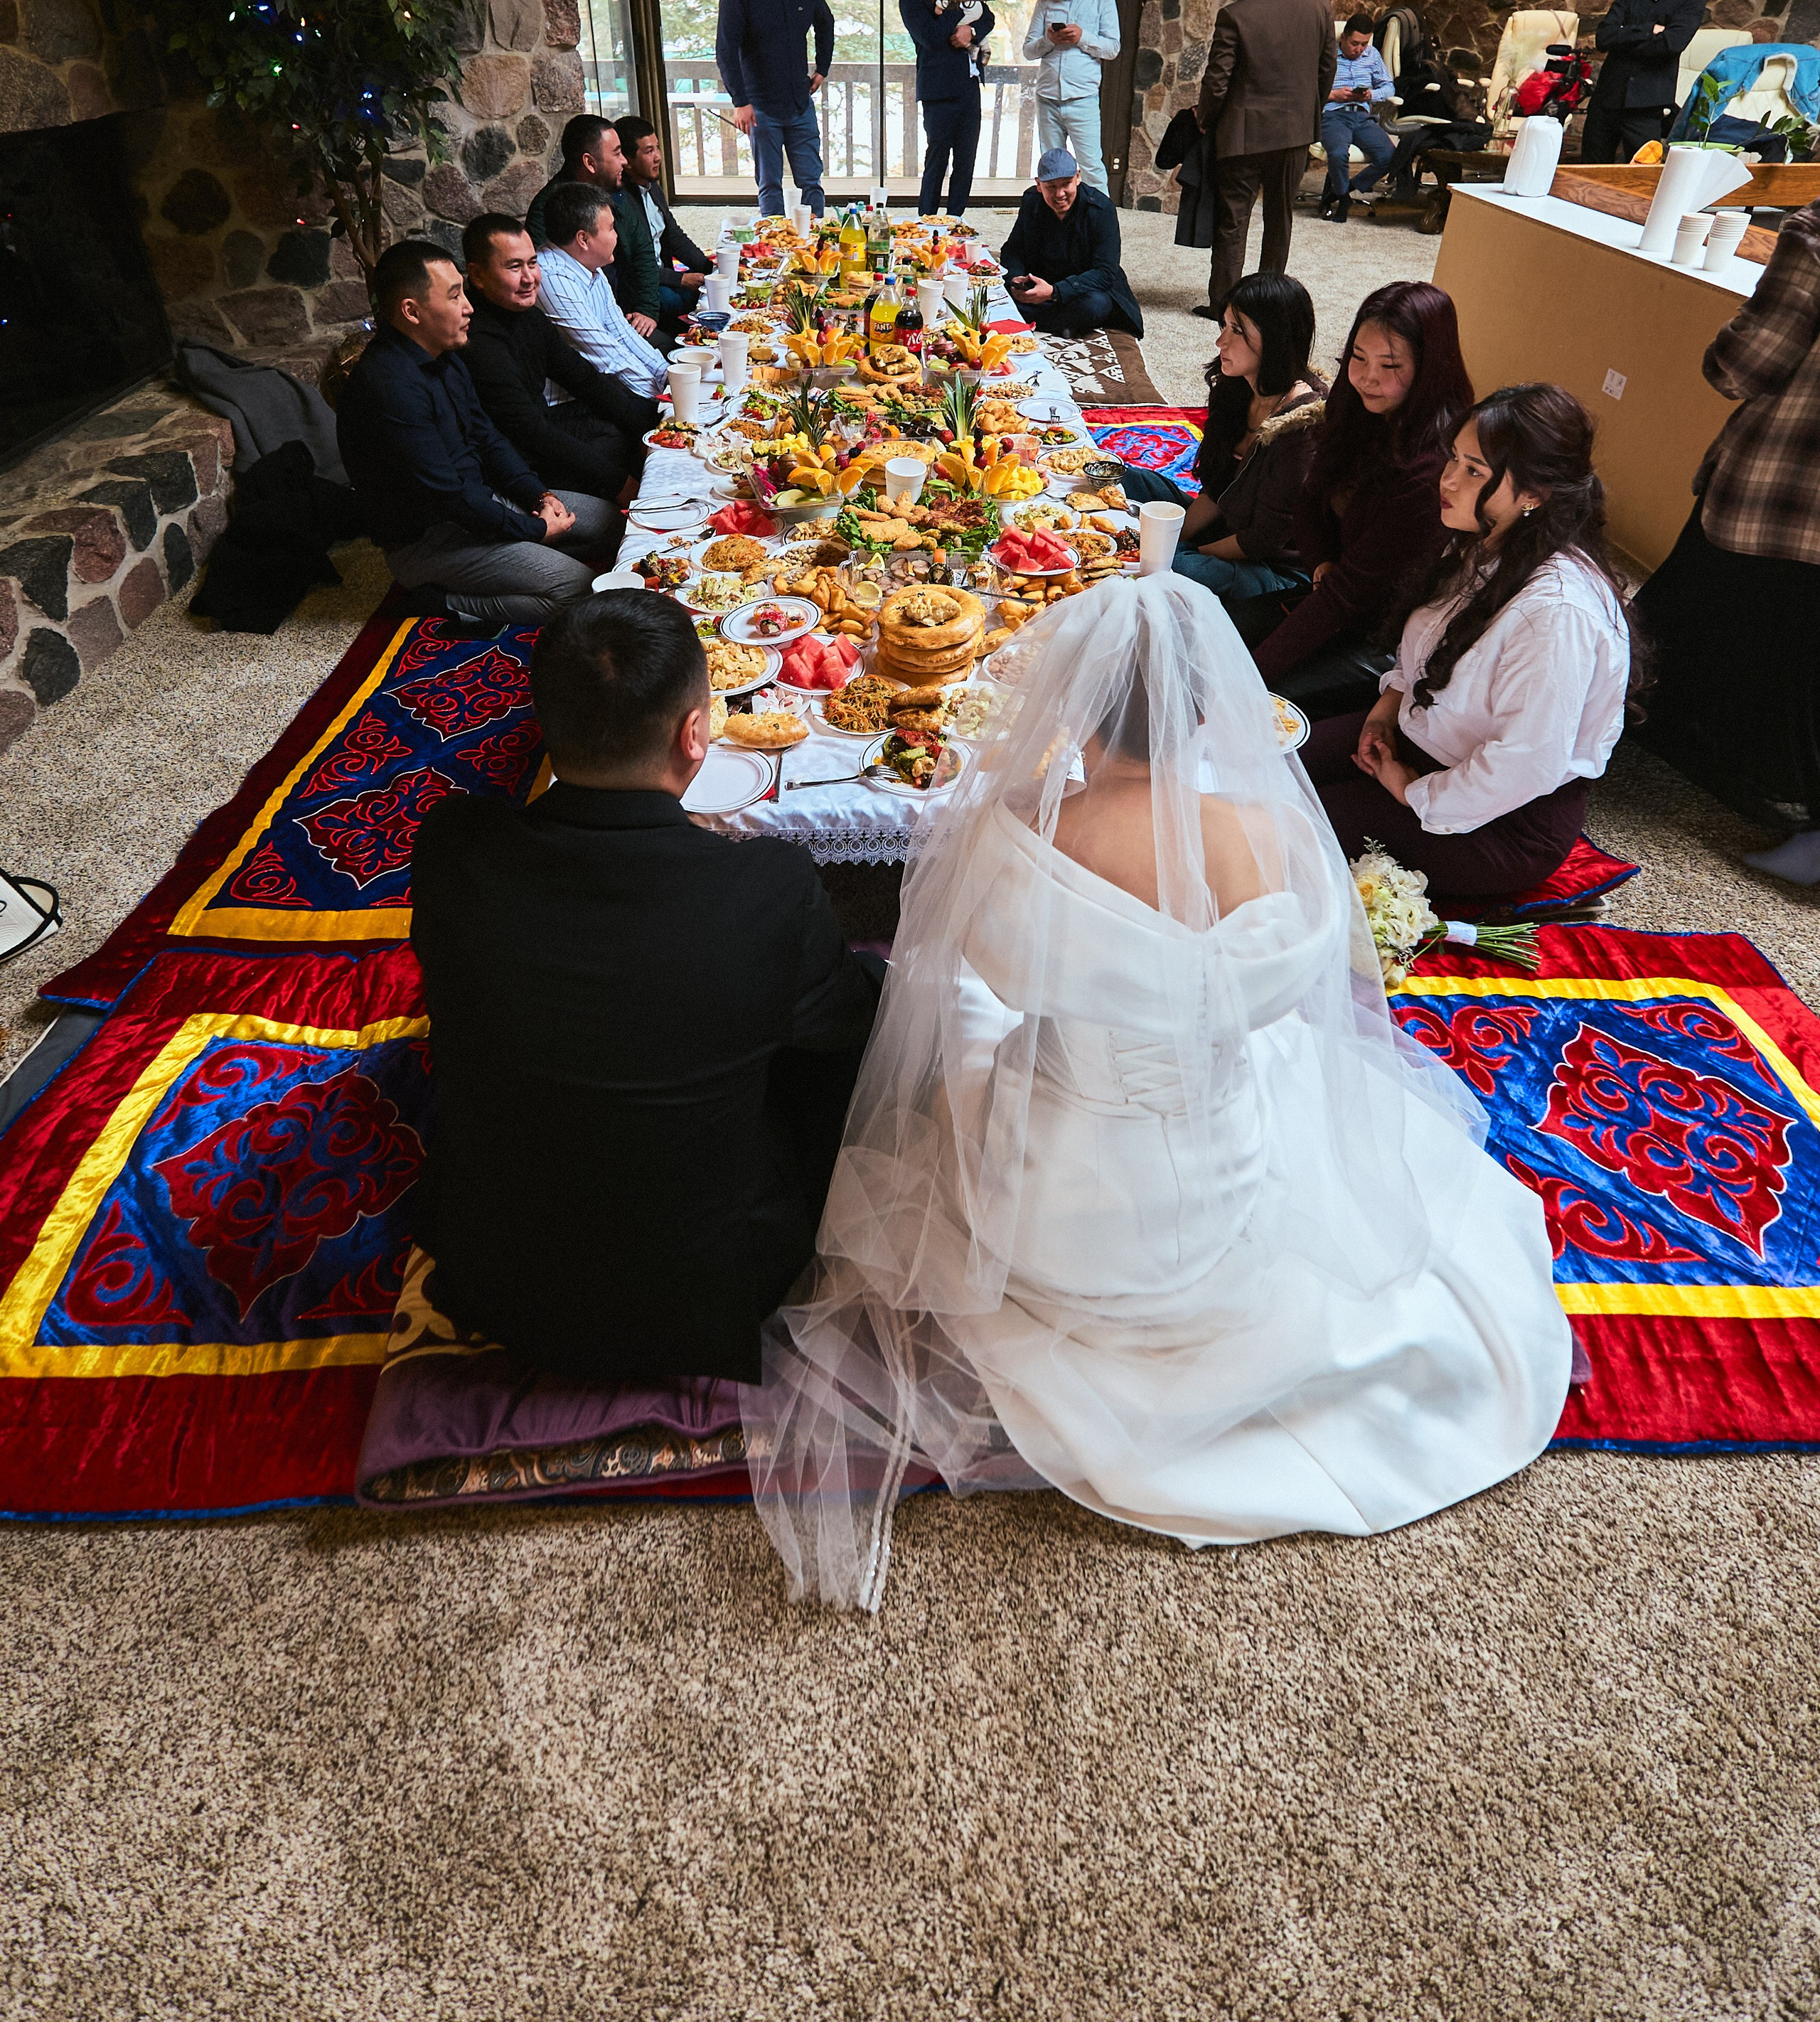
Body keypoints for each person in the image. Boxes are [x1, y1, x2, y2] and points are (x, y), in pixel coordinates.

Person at [741, 577, 1571, 1610]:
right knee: (1288, 1068)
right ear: (1206, 709)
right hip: (1212, 1188)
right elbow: (1289, 989)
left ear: (1069, 705)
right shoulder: (1268, 836)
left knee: (964, 1016)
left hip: (1046, 1209)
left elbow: (982, 971)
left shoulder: (1015, 828)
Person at [412, 592, 883, 1384]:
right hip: (709, 1292)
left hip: (496, 1278)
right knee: (844, 1024)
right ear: (694, 734)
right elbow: (849, 1027)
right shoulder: (767, 886)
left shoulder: (452, 848)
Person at [1304, 385, 1636, 899]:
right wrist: (1385, 711)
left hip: (1501, 821)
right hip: (1423, 740)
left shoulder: (1556, 614)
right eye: (1454, 458)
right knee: (1266, 760)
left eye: (1475, 471)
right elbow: (1427, 651)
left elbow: (1526, 762)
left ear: (1534, 494)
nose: (1449, 480)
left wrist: (1410, 790)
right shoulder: (1486, 540)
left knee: (1283, 822)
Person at [1634, 198, 1820, 882]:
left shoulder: (1816, 237)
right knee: (1798, 659)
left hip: (1781, 488)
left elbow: (1741, 366)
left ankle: (1600, 725)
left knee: (1679, 614)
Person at [336, 237, 619, 624]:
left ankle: (527, 560)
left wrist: (539, 495)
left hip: (481, 504)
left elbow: (488, 438)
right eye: (454, 297)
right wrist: (534, 529)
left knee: (613, 525)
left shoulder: (444, 354)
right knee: (580, 590)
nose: (469, 307)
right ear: (411, 311)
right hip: (431, 539)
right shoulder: (388, 387)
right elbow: (448, 496)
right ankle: (442, 601)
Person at [1236, 279, 1471, 722]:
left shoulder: (1434, 466)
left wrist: (1247, 678)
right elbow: (1309, 502)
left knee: (1252, 704)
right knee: (1206, 633)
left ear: (1430, 368)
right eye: (1357, 358)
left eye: (1390, 365)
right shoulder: (1358, 409)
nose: (1367, 377)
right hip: (1332, 593)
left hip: (1388, 637)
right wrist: (1323, 562)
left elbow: (1349, 598)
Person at [1115, 272, 1325, 605]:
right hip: (1227, 523)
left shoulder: (1303, 425)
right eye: (1224, 326)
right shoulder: (1237, 387)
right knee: (1124, 476)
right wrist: (1175, 538)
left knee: (1167, 568)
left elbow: (1262, 540)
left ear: (1275, 339)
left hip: (1270, 566)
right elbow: (1217, 489)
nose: (1221, 341)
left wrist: (1182, 551)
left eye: (1237, 331)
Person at [461, 213, 658, 507]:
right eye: (514, 267)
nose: (529, 278)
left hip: (540, 426)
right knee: (614, 451)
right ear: (477, 276)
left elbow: (583, 378)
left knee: (635, 421)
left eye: (532, 263)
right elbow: (530, 433)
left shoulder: (527, 316)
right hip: (514, 463)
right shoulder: (478, 340)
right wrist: (623, 486)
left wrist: (650, 430)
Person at [1190, 0, 1335, 316]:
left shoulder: (1234, 15)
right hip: (1295, 133)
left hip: (1243, 136)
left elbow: (1217, 81)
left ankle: (1223, 305)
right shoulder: (1319, 5)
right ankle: (1269, 306)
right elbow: (1327, 70)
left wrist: (1205, 120)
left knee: (1233, 221)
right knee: (1279, 218)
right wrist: (1308, 114)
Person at [715, 0, 835, 218]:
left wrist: (822, 68)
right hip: (760, 108)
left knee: (812, 182)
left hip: (799, 103)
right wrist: (740, 102)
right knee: (770, 185)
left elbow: (826, 23)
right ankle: (773, 242)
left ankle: (816, 241)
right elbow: (726, 50)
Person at [525, 116, 664, 343]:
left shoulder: (617, 194)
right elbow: (546, 281)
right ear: (590, 163)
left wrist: (647, 310)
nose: (624, 162)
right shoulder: (549, 209)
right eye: (617, 154)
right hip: (583, 328)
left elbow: (643, 250)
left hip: (625, 316)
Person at [1580, 0, 1707, 164]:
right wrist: (1649, 30)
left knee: (1642, 177)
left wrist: (1624, 36)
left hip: (1648, 106)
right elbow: (1603, 38)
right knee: (1588, 171)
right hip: (1607, 99)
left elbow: (1672, 43)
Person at [535, 184, 670, 402]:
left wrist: (668, 376)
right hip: (566, 405)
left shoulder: (590, 266)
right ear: (583, 239)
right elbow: (607, 355)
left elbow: (621, 333)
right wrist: (662, 397)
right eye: (611, 229)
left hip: (598, 388)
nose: (617, 237)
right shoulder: (552, 277)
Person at [900, 0, 995, 213]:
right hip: (938, 90)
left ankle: (956, 223)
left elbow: (988, 17)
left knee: (966, 161)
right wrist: (955, 10)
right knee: (937, 161)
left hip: (969, 85)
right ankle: (926, 222)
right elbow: (930, 37)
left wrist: (971, 32)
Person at [1002, 149, 1143, 339]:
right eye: (1051, 187)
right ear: (1038, 185)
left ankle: (1030, 317)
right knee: (986, 291)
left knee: (1097, 305)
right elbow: (1013, 250)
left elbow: (1105, 273)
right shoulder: (1031, 200)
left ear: (1078, 178)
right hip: (1041, 279)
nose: (1059, 194)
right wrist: (1015, 279)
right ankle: (1058, 323)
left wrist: (1055, 292)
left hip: (1080, 289)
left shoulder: (1101, 209)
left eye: (1066, 184)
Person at [1021, 0, 1120, 192]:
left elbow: (1113, 48)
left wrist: (1082, 37)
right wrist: (1049, 40)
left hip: (1083, 99)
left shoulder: (1103, 0)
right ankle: (1052, 218)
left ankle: (1100, 218)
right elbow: (1028, 50)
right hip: (1047, 98)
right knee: (1052, 170)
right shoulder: (1046, 1)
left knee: (1092, 168)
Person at [614, 113, 712, 335]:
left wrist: (711, 268)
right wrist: (680, 279)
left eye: (657, 147)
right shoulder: (621, 202)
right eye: (649, 151)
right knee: (688, 297)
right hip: (643, 286)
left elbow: (675, 236)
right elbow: (633, 264)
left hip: (664, 274)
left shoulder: (653, 189)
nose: (658, 156)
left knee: (711, 284)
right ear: (627, 161)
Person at [1318, 16, 1397, 222]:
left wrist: (1372, 95)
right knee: (1338, 154)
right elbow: (1307, 89)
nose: (1359, 49)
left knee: (1390, 156)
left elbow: (1389, 87)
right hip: (1334, 115)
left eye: (1364, 44)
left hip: (1362, 117)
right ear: (1343, 38)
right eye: (1355, 43)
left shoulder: (1372, 55)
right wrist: (1333, 95)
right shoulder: (1326, 55)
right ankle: (1343, 199)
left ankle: (1342, 191)